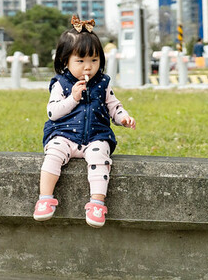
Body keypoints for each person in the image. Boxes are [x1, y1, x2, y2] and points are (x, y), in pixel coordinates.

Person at [33, 15, 136, 228]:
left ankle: (97, 203)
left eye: (94, 61)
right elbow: (53, 112)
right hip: (63, 134)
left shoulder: (103, 83)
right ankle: (45, 199)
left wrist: (123, 117)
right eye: (80, 61)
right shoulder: (61, 84)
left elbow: (113, 106)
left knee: (101, 158)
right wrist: (73, 98)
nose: (88, 67)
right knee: (53, 154)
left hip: (96, 136)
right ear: (65, 61)